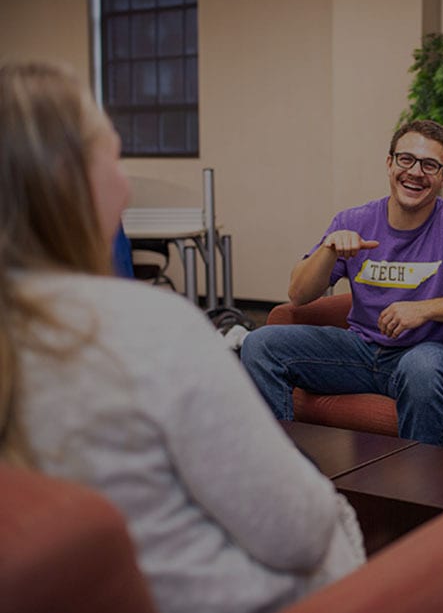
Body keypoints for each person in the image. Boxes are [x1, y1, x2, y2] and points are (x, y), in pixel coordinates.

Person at [0, 61, 365, 613]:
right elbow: (301, 532)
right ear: (61, 179)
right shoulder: (150, 328)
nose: (125, 187)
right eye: (113, 160)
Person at [240, 120, 443, 446]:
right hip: (357, 351)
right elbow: (298, 294)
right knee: (260, 344)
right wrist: (329, 251)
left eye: (430, 165)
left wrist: (426, 310)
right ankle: (280, 470)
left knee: (423, 369)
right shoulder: (354, 220)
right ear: (389, 163)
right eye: (406, 159)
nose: (415, 172)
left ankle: (419, 489)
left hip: (422, 353)